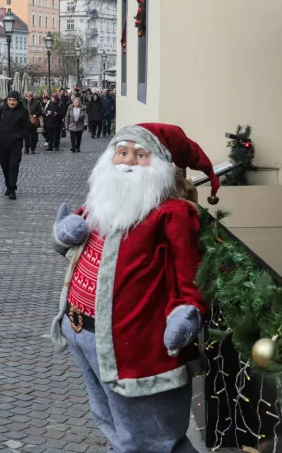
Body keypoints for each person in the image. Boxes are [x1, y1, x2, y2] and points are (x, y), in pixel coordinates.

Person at [51, 123, 221, 453]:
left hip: (135, 349)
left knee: (152, 436)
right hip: (84, 336)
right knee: (111, 421)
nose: (128, 162)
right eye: (123, 152)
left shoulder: (172, 214)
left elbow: (192, 277)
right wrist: (63, 234)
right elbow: (76, 240)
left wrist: (187, 313)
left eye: (140, 155)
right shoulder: (103, 198)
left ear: (160, 164)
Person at [0, 90, 29, 200]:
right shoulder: (1, 110)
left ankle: (12, 189)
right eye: (10, 100)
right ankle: (8, 184)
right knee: (4, 165)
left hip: (16, 144)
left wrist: (18, 136)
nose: (11, 102)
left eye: (14, 100)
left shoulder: (23, 111)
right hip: (3, 143)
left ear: (17, 101)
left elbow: (27, 127)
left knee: (13, 166)